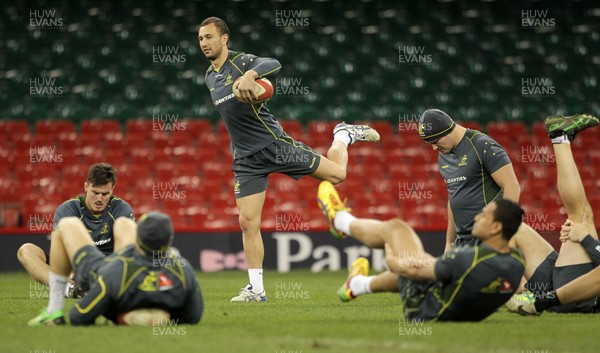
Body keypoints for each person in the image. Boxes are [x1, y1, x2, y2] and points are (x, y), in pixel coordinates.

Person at [198, 17, 380, 302]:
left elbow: (273, 63)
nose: (204, 43)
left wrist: (251, 76)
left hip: (274, 144)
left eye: (209, 37)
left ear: (224, 39)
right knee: (247, 222)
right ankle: (256, 290)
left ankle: (343, 136)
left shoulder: (241, 62)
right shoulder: (210, 76)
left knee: (337, 177)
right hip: (246, 158)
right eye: (200, 39)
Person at [317, 180, 525, 321]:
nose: (476, 218)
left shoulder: (469, 258)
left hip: (424, 310)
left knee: (396, 228)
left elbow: (412, 270)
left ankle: (340, 221)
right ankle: (356, 285)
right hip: (459, 310)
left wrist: (391, 257)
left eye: (484, 216)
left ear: (497, 227)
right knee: (434, 266)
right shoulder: (517, 263)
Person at [28, 212, 204, 326]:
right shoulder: (183, 268)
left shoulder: (115, 274)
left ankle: (53, 312)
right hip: (132, 269)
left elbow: (78, 316)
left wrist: (118, 317)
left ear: (139, 240)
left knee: (66, 224)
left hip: (108, 270)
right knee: (123, 223)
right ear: (169, 240)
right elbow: (193, 316)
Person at [504, 114, 600, 314]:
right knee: (517, 229)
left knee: (580, 216)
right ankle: (522, 295)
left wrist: (585, 238)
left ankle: (560, 136)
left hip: (577, 297)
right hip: (556, 288)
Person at [17, 163, 134, 296]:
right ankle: (71, 290)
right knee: (26, 251)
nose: (99, 199)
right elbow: (59, 251)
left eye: (105, 194)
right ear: (86, 187)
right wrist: (73, 272)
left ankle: (106, 285)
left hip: (107, 266)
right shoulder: (68, 209)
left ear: (112, 189)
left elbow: (126, 251)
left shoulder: (121, 209)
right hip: (73, 266)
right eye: (95, 193)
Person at [418, 109, 520, 250]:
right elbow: (453, 196)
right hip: (462, 242)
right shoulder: (444, 154)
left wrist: (503, 235)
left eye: (435, 141)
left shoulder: (483, 145)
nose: (434, 148)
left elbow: (512, 187)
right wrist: (449, 242)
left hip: (488, 238)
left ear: (448, 130)